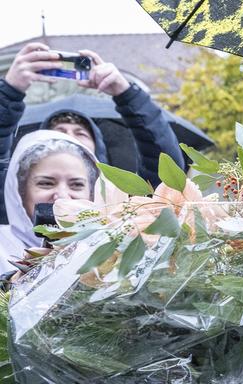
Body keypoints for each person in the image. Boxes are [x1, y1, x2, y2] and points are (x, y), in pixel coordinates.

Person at [0, 43, 184, 222]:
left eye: (80, 134)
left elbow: (164, 170)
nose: (62, 196)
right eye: (46, 182)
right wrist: (9, 91)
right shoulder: (9, 216)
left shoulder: (123, 213)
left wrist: (126, 93)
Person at [0, 130, 98, 275]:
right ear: (20, 191)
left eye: (77, 185)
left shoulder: (111, 247)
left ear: (92, 194)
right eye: (46, 183)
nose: (62, 197)